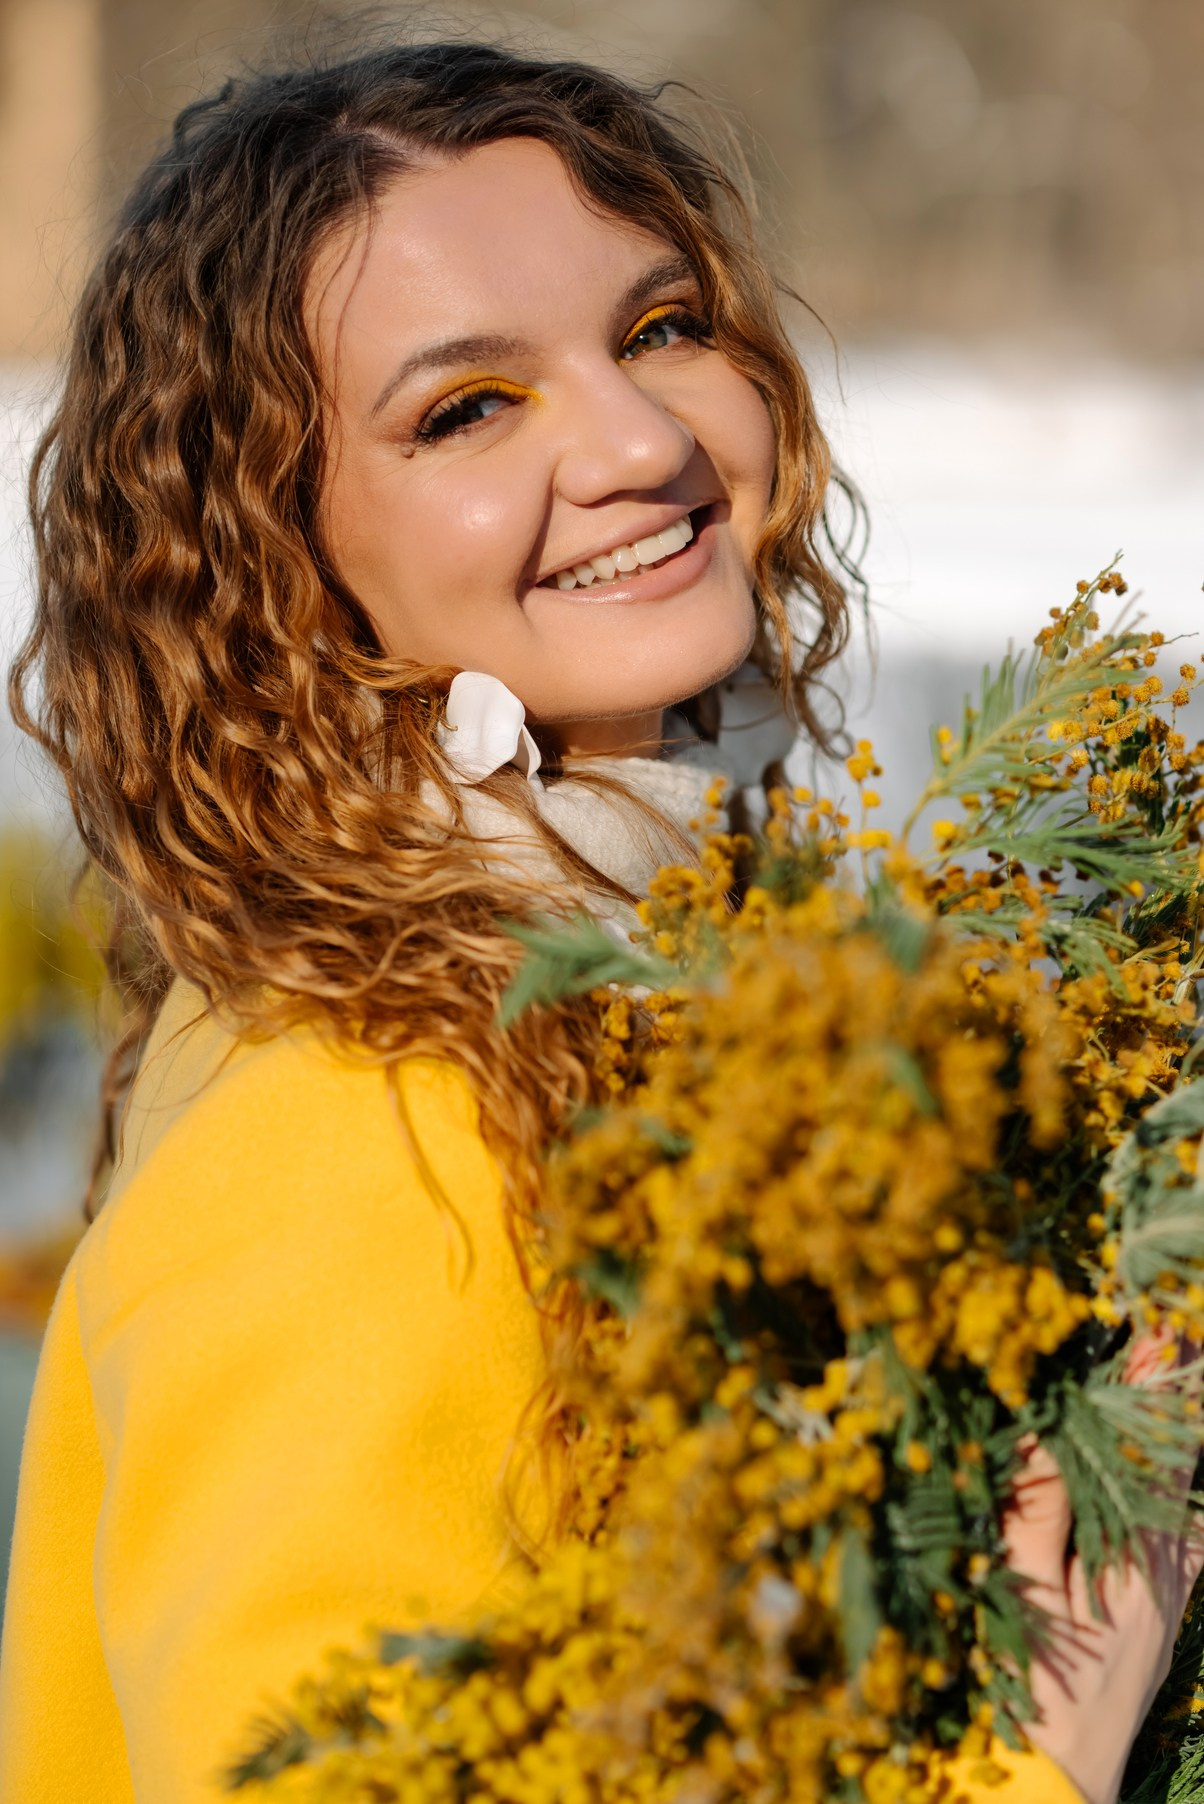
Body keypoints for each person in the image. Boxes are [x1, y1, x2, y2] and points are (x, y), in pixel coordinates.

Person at [0, 40, 1196, 1804]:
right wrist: (1030, 1739)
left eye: (658, 331)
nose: (642, 440)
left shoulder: (691, 977)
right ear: (272, 554)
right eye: (468, 409)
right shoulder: (363, 1117)